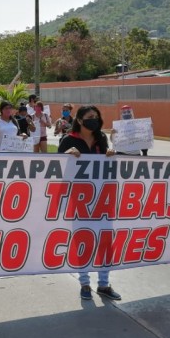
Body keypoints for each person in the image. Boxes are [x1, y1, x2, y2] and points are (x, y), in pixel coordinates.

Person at [57, 105, 122, 302]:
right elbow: (56, 168)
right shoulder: (68, 140)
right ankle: (84, 283)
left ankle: (104, 283)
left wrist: (111, 153)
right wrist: (67, 154)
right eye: (89, 116)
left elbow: (108, 167)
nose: (94, 119)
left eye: (96, 116)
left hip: (103, 198)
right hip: (80, 200)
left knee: (104, 240)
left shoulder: (101, 138)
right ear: (79, 120)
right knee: (83, 240)